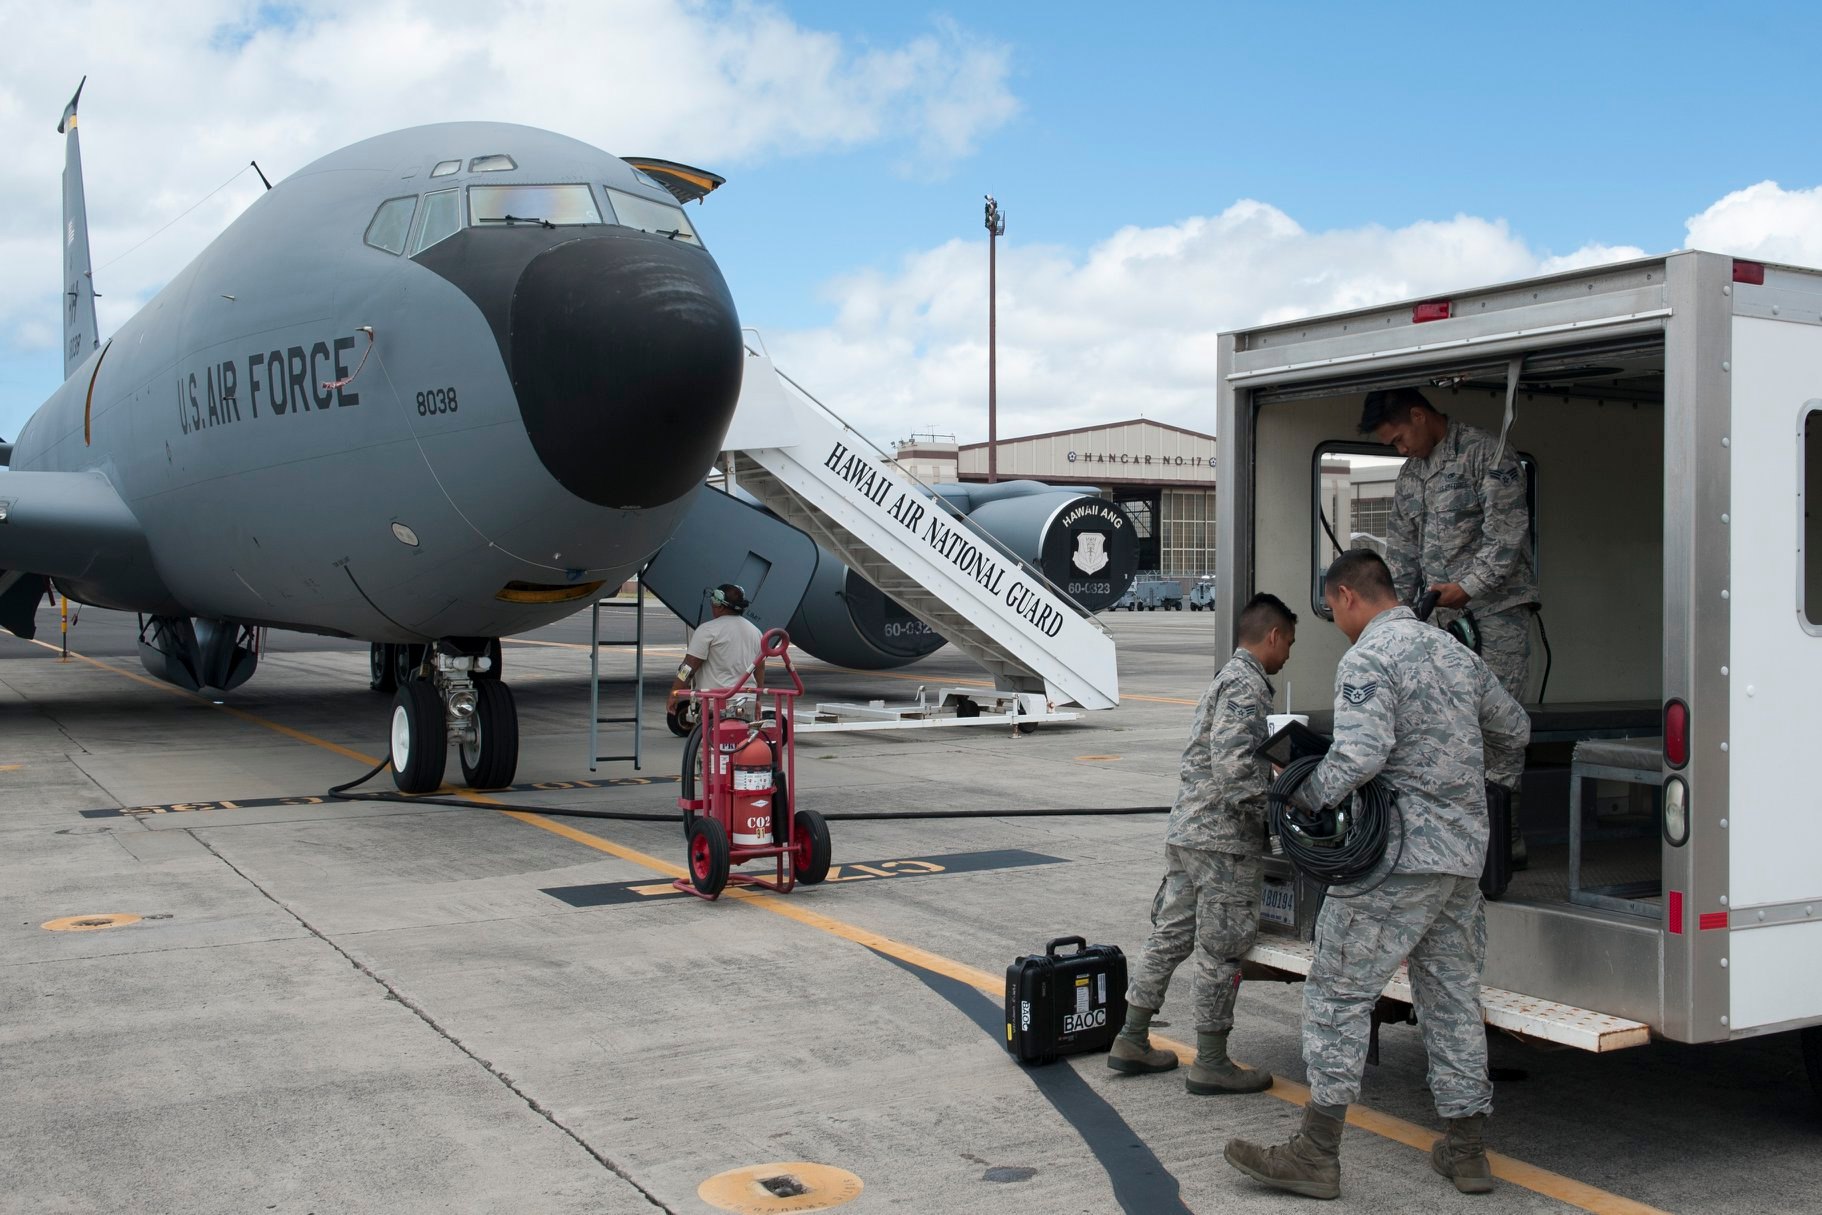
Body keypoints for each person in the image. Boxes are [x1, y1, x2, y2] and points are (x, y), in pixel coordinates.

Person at [1222, 550, 1529, 1201]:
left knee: (1336, 992)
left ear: (1348, 594)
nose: (1335, 620)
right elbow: (1515, 729)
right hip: (1459, 863)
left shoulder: (1369, 658)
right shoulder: (1457, 655)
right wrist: (1485, 791)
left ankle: (1315, 1153)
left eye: (1332, 608)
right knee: (1450, 999)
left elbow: (1361, 754)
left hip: (1395, 864)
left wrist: (1303, 794)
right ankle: (1469, 1151)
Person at [1109, 592, 1297, 1096]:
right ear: (1273, 636)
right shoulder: (1247, 685)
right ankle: (1211, 1061)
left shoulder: (1224, 679)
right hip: (1223, 842)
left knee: (1170, 934)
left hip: (1188, 831)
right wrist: (1279, 813)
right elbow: (1235, 769)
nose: (1288, 656)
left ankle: (1131, 1037)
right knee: (1220, 949)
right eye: (1290, 644)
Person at [1361, 386, 1537, 866]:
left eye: (1400, 438)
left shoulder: (1488, 455)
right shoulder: (1411, 475)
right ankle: (1454, 840)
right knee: (1444, 728)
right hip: (1440, 623)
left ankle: (1504, 841)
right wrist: (1392, 616)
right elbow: (1400, 552)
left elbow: (1507, 535)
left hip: (1495, 616)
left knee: (1497, 729)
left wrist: (1469, 586)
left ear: (1420, 416)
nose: (1401, 450)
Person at [667, 583, 764, 715]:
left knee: (711, 735)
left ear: (718, 604)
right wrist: (758, 699)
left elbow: (688, 667)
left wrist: (675, 693)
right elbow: (760, 669)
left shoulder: (707, 630)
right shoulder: (756, 632)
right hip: (747, 701)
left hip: (716, 702)